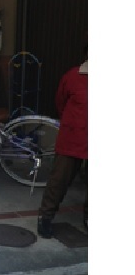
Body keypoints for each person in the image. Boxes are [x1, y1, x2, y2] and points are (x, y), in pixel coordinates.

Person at [37, 55, 88, 238]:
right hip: (73, 136)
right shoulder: (73, 76)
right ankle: (46, 217)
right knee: (59, 179)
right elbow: (60, 103)